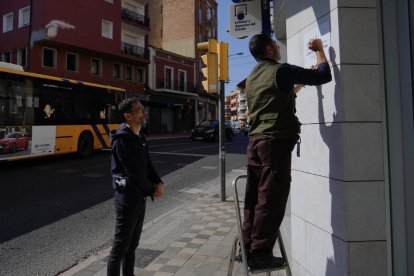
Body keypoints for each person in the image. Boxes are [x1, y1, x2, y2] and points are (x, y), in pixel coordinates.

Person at [242, 34, 332, 270]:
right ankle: (260, 254)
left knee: (253, 198)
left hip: (255, 141)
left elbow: (279, 95)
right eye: (275, 44)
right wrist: (319, 50)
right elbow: (324, 75)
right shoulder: (282, 70)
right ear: (270, 49)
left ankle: (247, 248)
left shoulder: (252, 78)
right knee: (271, 199)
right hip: (274, 143)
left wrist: (297, 86)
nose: (278, 47)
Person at [107, 97, 164, 276]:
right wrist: (152, 189)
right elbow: (135, 172)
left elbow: (147, 165)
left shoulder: (140, 137)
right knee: (119, 248)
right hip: (127, 200)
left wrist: (158, 181)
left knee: (132, 246)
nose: (143, 112)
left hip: (140, 198)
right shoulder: (122, 139)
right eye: (139, 110)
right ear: (128, 116)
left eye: (142, 108)